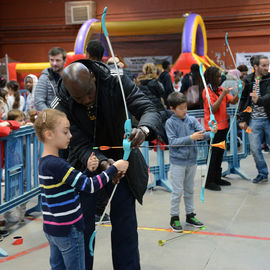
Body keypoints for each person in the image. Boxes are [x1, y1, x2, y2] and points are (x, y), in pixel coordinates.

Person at [52, 60, 161, 270]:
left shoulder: (116, 82)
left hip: (123, 161)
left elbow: (148, 108)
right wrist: (102, 163)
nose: (86, 101)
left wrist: (144, 129)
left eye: (89, 94)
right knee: (82, 229)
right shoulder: (62, 101)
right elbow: (77, 142)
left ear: (93, 77)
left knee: (125, 226)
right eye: (79, 98)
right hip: (85, 165)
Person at [34, 108, 129, 270]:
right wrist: (114, 168)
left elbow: (70, 186)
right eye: (65, 132)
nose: (70, 136)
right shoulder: (58, 164)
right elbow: (90, 186)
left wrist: (88, 170)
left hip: (53, 230)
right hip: (69, 230)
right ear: (49, 134)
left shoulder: (45, 162)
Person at [165, 92, 215, 232]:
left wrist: (211, 132)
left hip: (192, 161)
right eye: (181, 108)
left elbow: (202, 134)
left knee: (189, 190)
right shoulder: (170, 123)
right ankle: (174, 217)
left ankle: (190, 215)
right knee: (177, 191)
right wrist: (190, 138)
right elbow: (173, 142)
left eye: (185, 107)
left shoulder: (191, 120)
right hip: (178, 163)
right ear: (172, 108)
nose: (184, 111)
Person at [202, 67, 239, 191]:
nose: (220, 78)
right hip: (213, 128)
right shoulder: (206, 91)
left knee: (219, 154)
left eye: (220, 76)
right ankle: (208, 181)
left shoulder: (221, 89)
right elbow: (213, 108)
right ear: (211, 78)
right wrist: (222, 95)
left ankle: (217, 178)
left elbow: (233, 101)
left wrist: (239, 92)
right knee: (213, 155)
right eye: (217, 76)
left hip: (223, 127)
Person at [239, 55, 270, 183]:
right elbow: (243, 101)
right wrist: (242, 119)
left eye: (267, 65)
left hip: (269, 119)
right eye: (264, 65)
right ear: (255, 67)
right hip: (253, 121)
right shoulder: (248, 80)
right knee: (254, 149)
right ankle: (262, 173)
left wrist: (259, 100)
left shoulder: (269, 78)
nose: (267, 68)